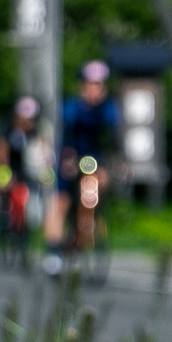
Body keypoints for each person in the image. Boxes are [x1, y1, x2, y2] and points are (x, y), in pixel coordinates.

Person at [47, 60, 120, 274]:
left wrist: (117, 161)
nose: (95, 90)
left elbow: (114, 138)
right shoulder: (71, 106)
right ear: (82, 85)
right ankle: (53, 251)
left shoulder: (109, 108)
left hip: (94, 158)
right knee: (61, 201)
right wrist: (67, 157)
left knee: (101, 181)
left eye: (99, 85)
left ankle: (91, 219)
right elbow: (65, 134)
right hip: (69, 155)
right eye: (91, 84)